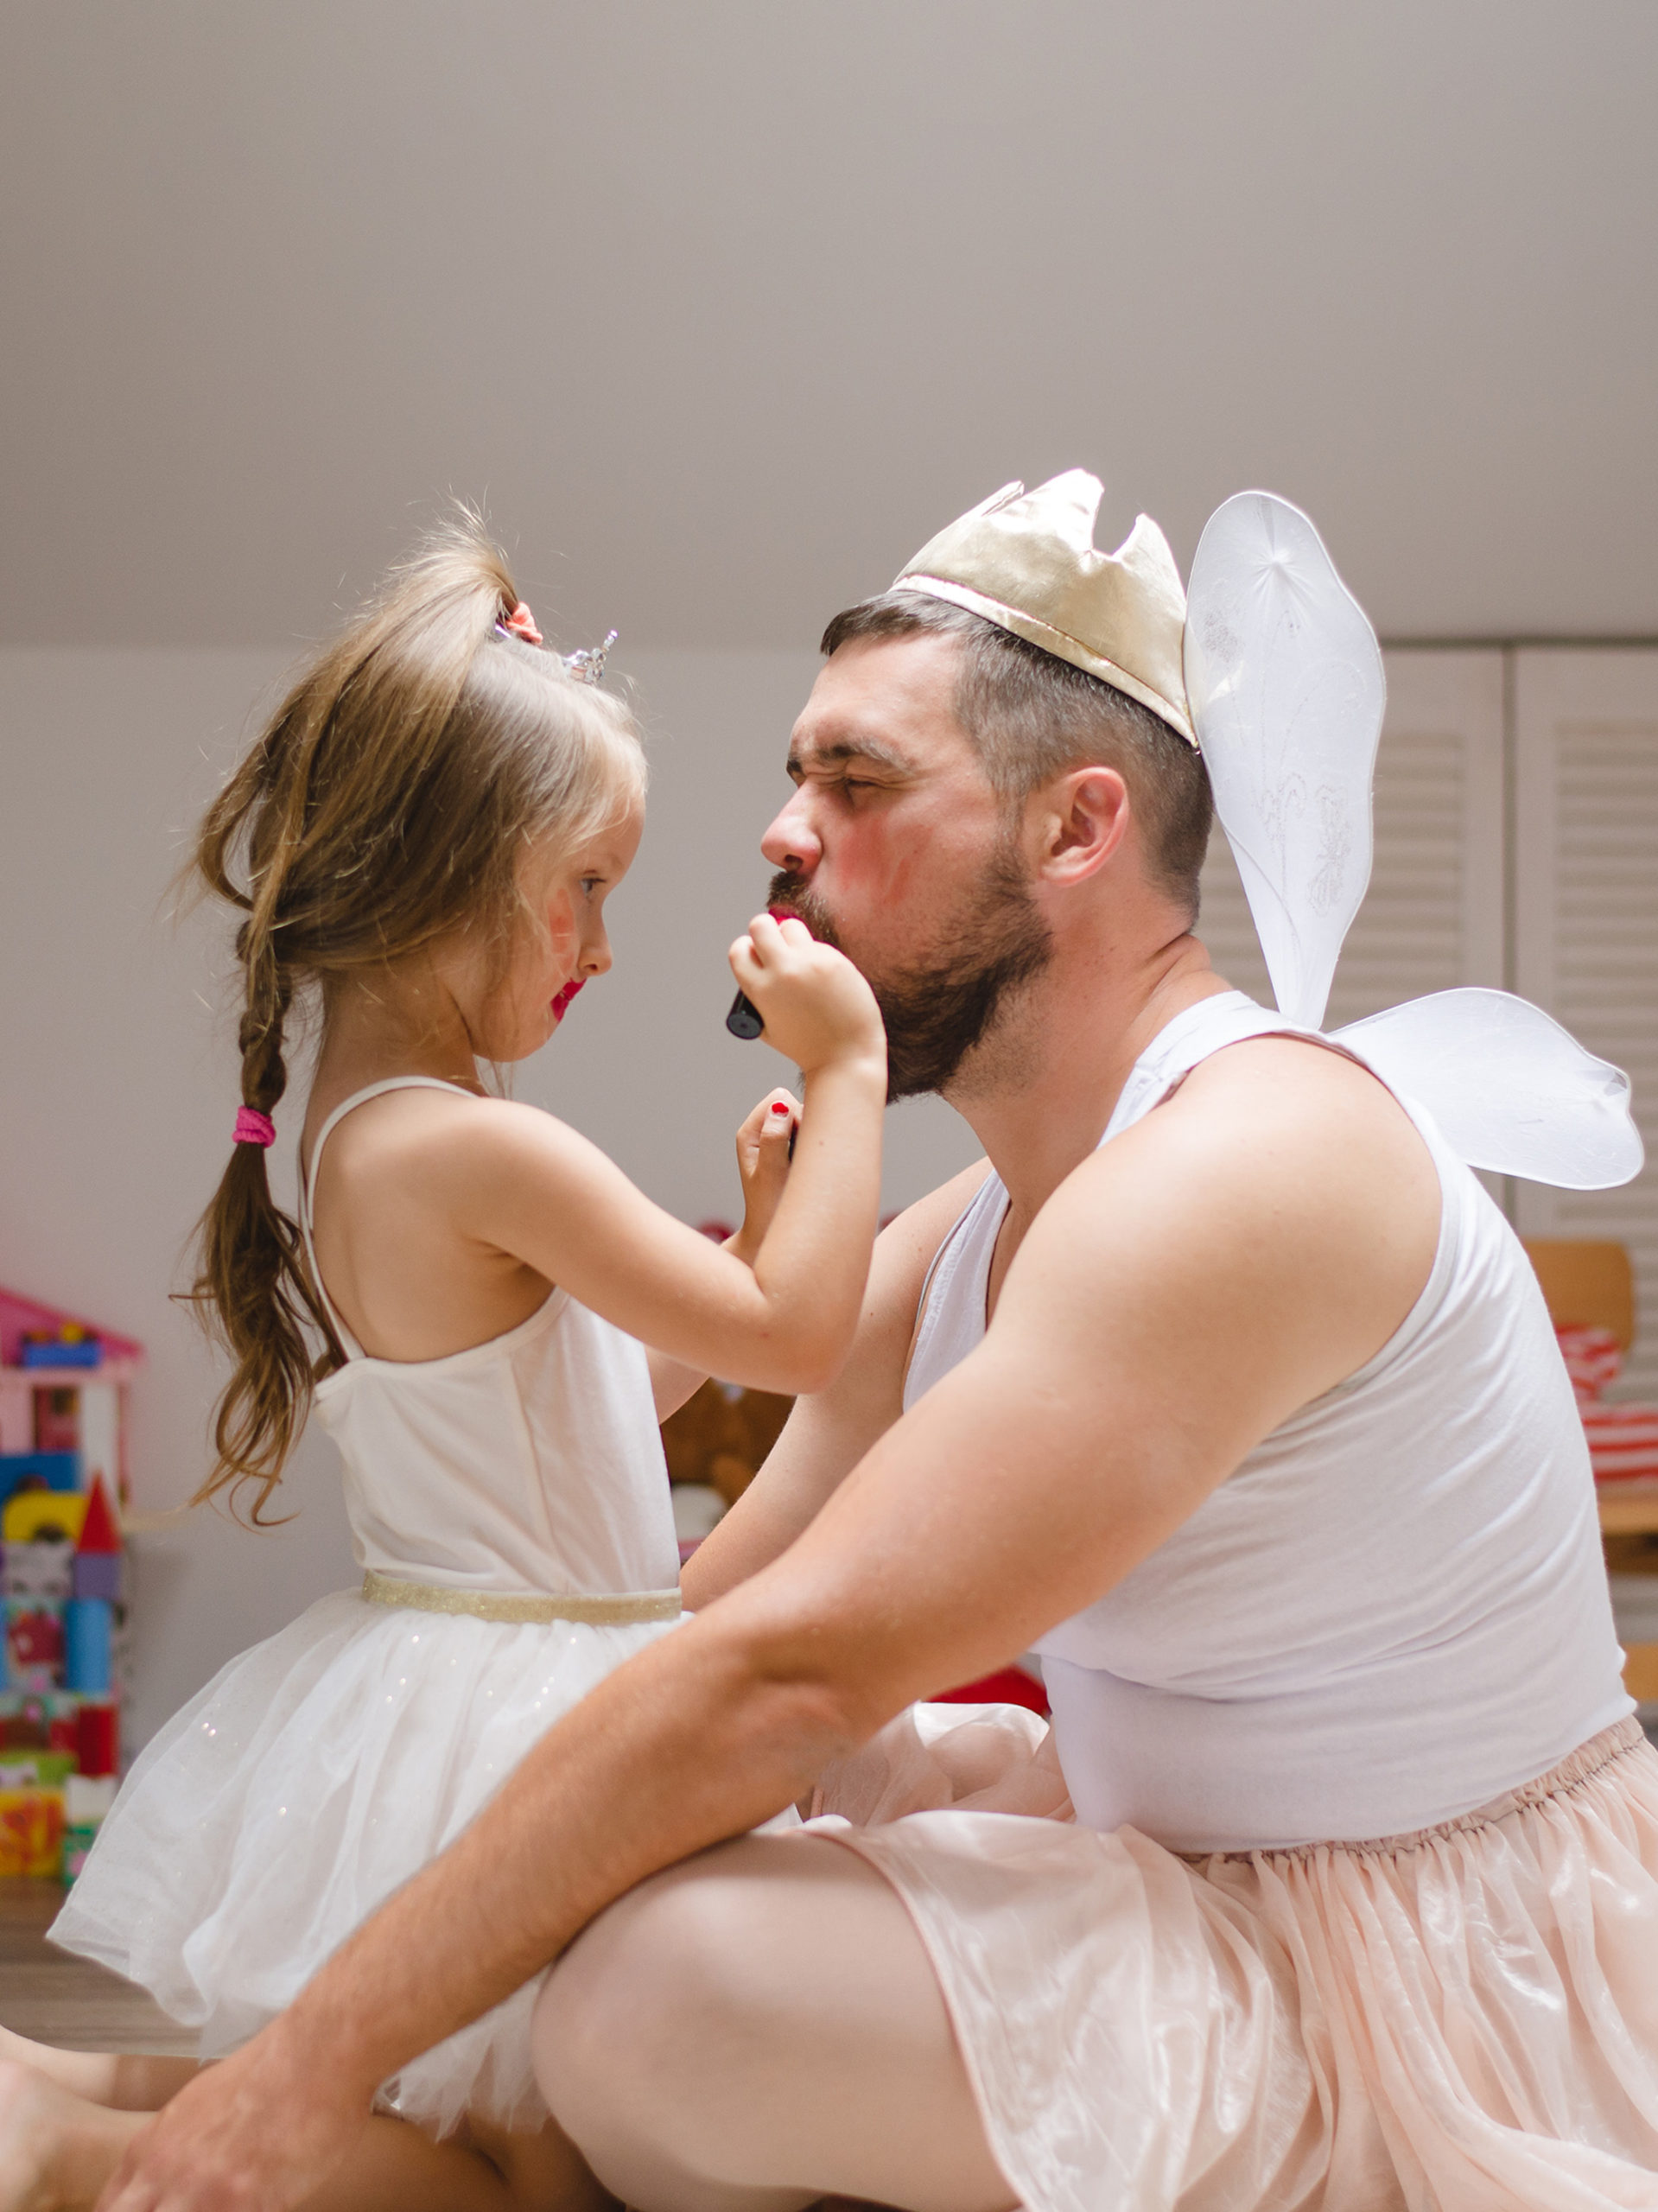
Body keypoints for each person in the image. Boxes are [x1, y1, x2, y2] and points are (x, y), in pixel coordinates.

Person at [11, 472, 1658, 2212]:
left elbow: (777, 1671)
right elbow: (711, 1603)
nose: (784, 830)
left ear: (1076, 830)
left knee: (663, 1991)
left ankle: (231, 2134)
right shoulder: (995, 1224)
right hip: (1204, 1864)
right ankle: (140, 2113)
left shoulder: (1248, 1164)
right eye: (800, 774)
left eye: (854, 781)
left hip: (1425, 1973)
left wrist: (311, 2055)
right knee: (658, 1846)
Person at [0, 515, 887, 2212]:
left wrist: (752, 1234)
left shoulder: (377, 1130)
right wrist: (845, 1073)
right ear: (460, 872)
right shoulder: (477, 1151)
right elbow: (800, 1337)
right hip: (532, 1708)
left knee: (501, 2130)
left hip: (461, 1674)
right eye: (591, 886)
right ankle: (78, 2150)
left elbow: (600, 1411)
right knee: (520, 2167)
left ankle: (61, 2097)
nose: (603, 944)